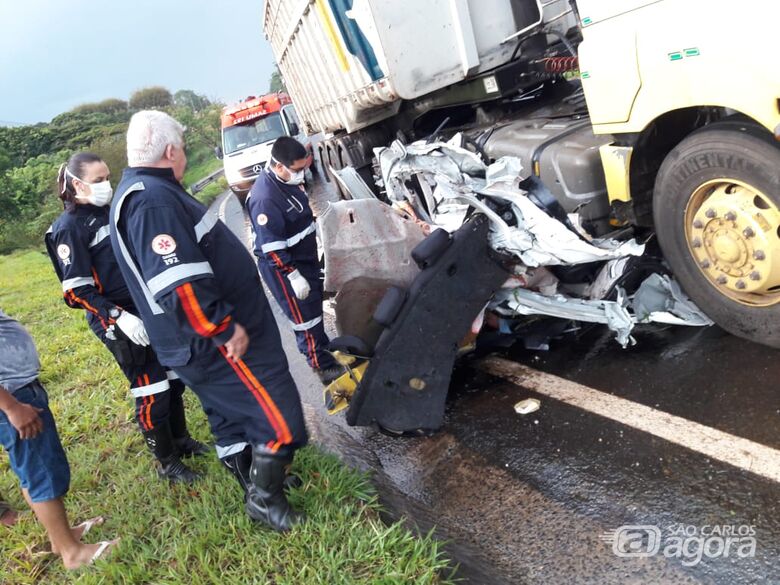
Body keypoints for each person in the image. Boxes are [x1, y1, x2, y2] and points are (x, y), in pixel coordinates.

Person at [109, 110, 308, 531]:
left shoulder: (144, 192)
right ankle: (265, 499)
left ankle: (252, 481)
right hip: (217, 340)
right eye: (182, 147)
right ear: (170, 150)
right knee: (279, 418)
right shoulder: (152, 201)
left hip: (194, 343)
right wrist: (220, 326)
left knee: (229, 417)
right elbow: (179, 284)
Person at [44, 152, 206, 484]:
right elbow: (75, 292)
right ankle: (167, 463)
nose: (107, 185)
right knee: (151, 388)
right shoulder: (69, 228)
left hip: (145, 308)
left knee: (174, 380)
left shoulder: (109, 211)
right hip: (116, 319)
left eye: (108, 177)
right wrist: (119, 317)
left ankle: (180, 440)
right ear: (77, 185)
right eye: (99, 180)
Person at [0, 308, 117, 569]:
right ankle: (72, 552)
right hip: (12, 396)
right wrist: (10, 407)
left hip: (16, 391)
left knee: (32, 471)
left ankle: (61, 538)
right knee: (41, 471)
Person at [246, 137, 343, 385]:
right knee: (304, 318)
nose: (302, 174)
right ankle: (322, 367)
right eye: (298, 169)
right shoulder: (265, 198)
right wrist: (292, 274)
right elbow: (272, 246)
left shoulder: (288, 181)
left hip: (304, 258)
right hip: (285, 268)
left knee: (314, 306)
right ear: (279, 166)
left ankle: (323, 348)